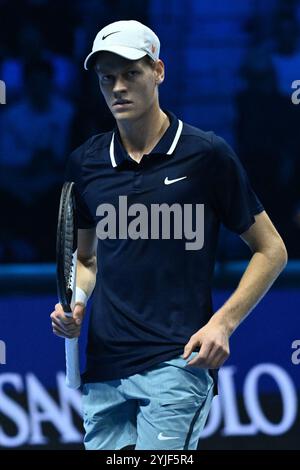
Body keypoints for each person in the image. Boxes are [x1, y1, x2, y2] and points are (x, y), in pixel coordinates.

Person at [50, 20, 288, 450]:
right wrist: (77, 303)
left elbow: (271, 250)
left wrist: (223, 324)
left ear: (158, 71)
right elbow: (86, 262)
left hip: (177, 364)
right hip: (104, 370)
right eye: (107, 78)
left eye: (131, 74)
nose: (118, 87)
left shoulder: (206, 155)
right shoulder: (85, 163)